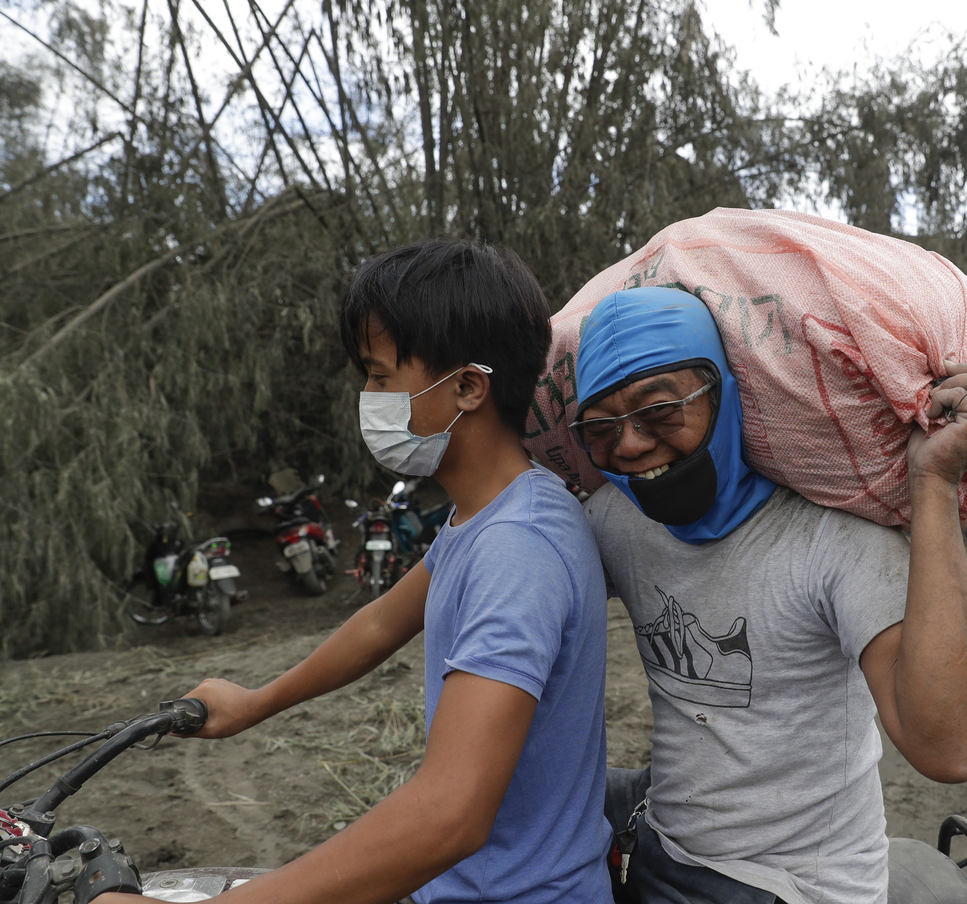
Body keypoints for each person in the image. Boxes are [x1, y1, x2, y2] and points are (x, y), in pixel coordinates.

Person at [98, 240, 612, 904]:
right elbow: (377, 623)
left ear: (466, 386)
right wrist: (255, 701)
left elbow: (451, 813)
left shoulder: (517, 546)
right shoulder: (486, 516)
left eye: (378, 376)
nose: (366, 396)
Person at [570, 287, 967, 904]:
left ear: (725, 393)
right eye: (602, 427)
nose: (632, 445)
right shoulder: (616, 520)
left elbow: (952, 747)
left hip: (803, 885)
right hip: (669, 845)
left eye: (660, 411)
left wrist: (933, 484)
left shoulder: (830, 538)